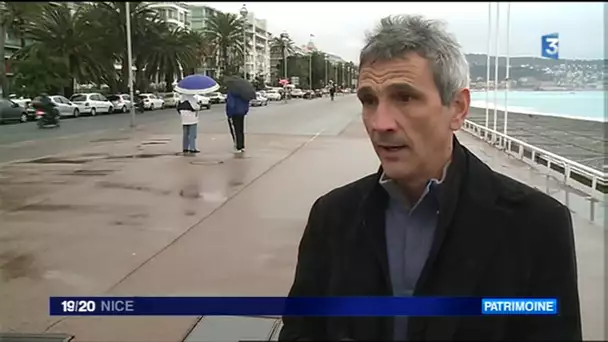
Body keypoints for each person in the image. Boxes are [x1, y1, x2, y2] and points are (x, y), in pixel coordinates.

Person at [279, 15, 581, 341]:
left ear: (458, 108)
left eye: (404, 97)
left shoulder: (536, 225)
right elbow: (301, 330)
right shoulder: (332, 215)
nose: (380, 124)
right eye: (369, 100)